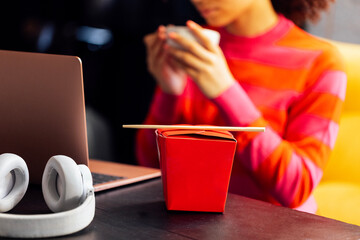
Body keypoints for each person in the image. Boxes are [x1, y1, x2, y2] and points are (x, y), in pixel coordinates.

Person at [136, 0, 346, 213]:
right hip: (193, 220)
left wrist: (225, 91)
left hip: (274, 228)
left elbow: (296, 188)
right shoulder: (196, 44)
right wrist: (169, 93)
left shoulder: (321, 62)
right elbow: (149, 164)